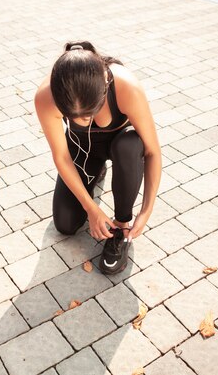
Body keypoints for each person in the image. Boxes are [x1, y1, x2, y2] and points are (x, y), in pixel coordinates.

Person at [35, 41, 161, 275]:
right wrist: (91, 208)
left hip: (122, 147)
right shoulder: (46, 96)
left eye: (90, 113)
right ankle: (96, 171)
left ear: (105, 84)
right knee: (65, 224)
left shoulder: (125, 85)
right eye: (75, 117)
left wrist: (146, 211)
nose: (85, 121)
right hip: (82, 149)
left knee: (130, 144)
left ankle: (121, 227)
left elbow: (153, 151)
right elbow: (61, 157)